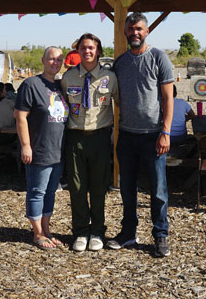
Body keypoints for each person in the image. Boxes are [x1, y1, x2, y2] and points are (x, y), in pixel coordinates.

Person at [109, 12, 174, 258]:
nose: (135, 32)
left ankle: (160, 235)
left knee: (158, 190)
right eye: (131, 29)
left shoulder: (158, 58)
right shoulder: (121, 62)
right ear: (125, 32)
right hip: (126, 135)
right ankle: (128, 232)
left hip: (153, 135)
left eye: (139, 29)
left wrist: (165, 132)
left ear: (146, 32)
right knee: (127, 188)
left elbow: (168, 98)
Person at [61, 33, 119, 252]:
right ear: (78, 51)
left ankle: (97, 231)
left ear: (98, 51)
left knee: (98, 187)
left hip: (100, 137)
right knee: (76, 188)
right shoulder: (68, 78)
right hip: (75, 138)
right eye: (83, 48)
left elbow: (120, 105)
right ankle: (80, 232)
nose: (87, 51)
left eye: (91, 48)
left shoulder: (110, 78)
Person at [14, 46, 69, 251]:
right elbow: (20, 116)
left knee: (51, 192)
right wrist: (26, 145)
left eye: (59, 60)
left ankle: (46, 229)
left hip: (58, 150)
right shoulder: (31, 84)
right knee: (37, 191)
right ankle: (37, 233)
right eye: (51, 59)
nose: (55, 63)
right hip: (39, 149)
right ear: (43, 60)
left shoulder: (60, 86)